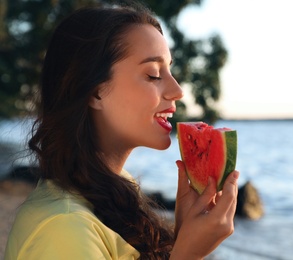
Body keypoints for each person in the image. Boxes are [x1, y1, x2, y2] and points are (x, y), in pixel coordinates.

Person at [5, 2, 239, 260]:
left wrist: (182, 236)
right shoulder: (63, 228)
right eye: (152, 74)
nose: (178, 91)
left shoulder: (114, 189)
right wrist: (187, 255)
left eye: (170, 69)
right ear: (95, 91)